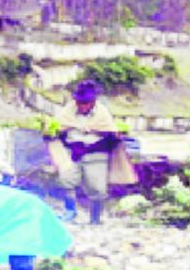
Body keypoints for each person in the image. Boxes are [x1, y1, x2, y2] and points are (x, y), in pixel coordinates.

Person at [47, 79, 137, 224]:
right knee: (66, 180)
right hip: (73, 152)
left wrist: (88, 148)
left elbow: (110, 136)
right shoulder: (67, 111)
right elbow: (59, 130)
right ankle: (70, 211)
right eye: (79, 102)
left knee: (97, 188)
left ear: (93, 101)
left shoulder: (102, 114)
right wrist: (68, 144)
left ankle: (95, 218)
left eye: (85, 102)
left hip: (96, 152)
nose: (82, 106)